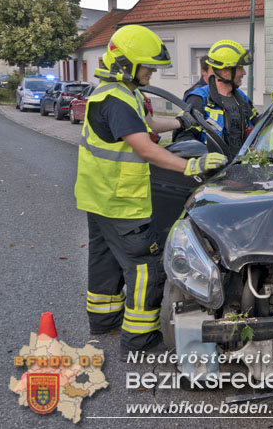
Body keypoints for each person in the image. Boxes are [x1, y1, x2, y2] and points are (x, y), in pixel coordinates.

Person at [74, 25, 227, 353]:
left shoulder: (115, 94)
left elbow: (146, 124)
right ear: (126, 64)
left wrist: (182, 122)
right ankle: (140, 338)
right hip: (122, 202)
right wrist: (189, 166)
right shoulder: (116, 100)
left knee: (104, 260)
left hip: (97, 197)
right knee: (146, 264)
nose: (153, 71)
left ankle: (103, 320)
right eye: (147, 65)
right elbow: (144, 146)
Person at [182, 40, 258, 156]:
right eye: (240, 68)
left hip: (240, 166)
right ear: (225, 72)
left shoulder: (241, 97)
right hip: (214, 171)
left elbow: (257, 122)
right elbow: (184, 138)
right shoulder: (198, 99)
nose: (243, 73)